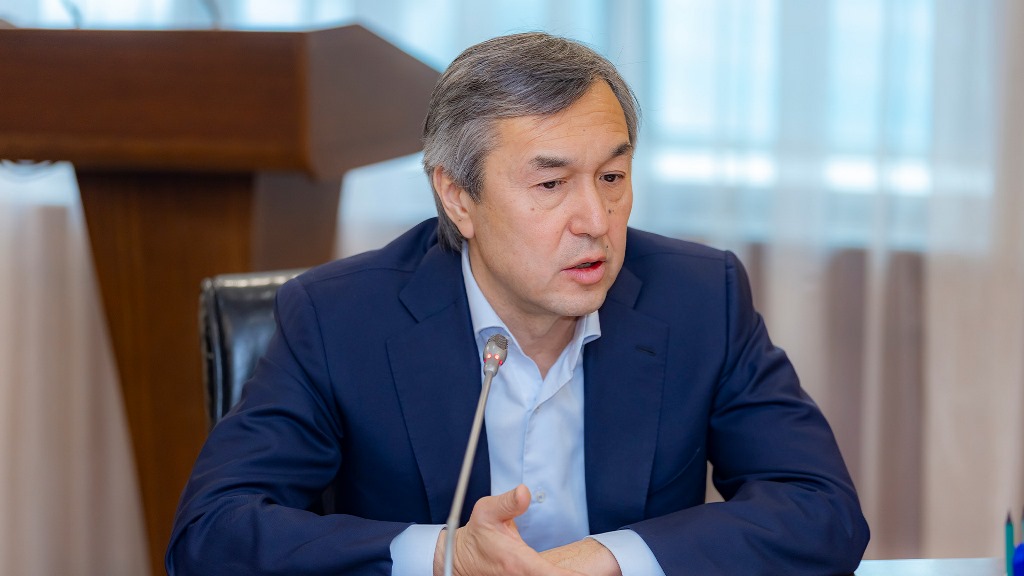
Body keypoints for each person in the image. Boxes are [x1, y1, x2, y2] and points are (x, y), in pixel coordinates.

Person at [167, 32, 869, 575]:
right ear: (457, 197)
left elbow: (822, 511)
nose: (595, 220)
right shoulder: (339, 318)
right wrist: (444, 555)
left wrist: (607, 558)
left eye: (613, 176)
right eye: (550, 185)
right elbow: (210, 535)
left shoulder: (700, 298)